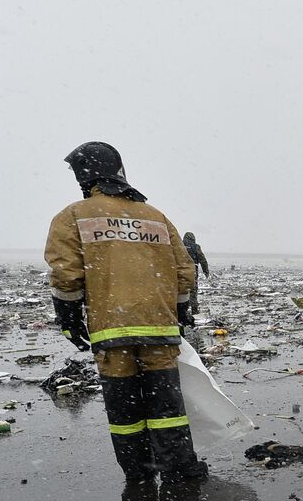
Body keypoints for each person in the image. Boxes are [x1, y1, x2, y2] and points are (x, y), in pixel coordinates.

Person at [45, 141, 206, 482]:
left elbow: (65, 273)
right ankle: (181, 470)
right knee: (167, 408)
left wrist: (69, 319)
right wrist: (178, 312)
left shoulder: (73, 216)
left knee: (125, 410)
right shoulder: (156, 216)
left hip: (110, 331)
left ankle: (139, 474)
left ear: (84, 177)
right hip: (159, 330)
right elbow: (183, 271)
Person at [182, 232, 210, 314]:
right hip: (192, 270)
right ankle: (194, 310)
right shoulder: (196, 247)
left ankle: (182, 310)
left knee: (181, 290)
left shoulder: (179, 245)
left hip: (180, 270)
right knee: (193, 290)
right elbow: (202, 260)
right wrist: (206, 271)